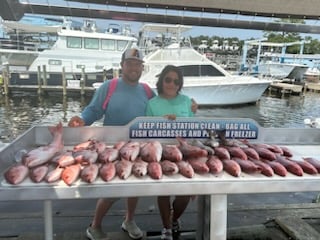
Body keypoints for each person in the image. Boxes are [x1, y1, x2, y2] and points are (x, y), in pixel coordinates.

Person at [68, 48, 156, 240]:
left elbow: (163, 109)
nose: (134, 67)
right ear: (122, 65)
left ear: (142, 67)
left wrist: (188, 107)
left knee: (135, 186)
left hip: (138, 146)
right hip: (110, 148)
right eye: (130, 63)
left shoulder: (148, 91)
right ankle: (95, 225)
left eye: (137, 64)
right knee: (112, 188)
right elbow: (93, 111)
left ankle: (129, 220)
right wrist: (82, 120)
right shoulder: (109, 87)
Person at [145, 65, 194, 240]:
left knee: (186, 193)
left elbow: (193, 128)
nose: (172, 84)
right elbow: (146, 131)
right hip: (160, 150)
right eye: (168, 79)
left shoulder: (187, 101)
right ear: (161, 81)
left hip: (182, 150)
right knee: (163, 191)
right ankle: (166, 228)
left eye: (176, 81)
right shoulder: (152, 104)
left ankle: (174, 218)